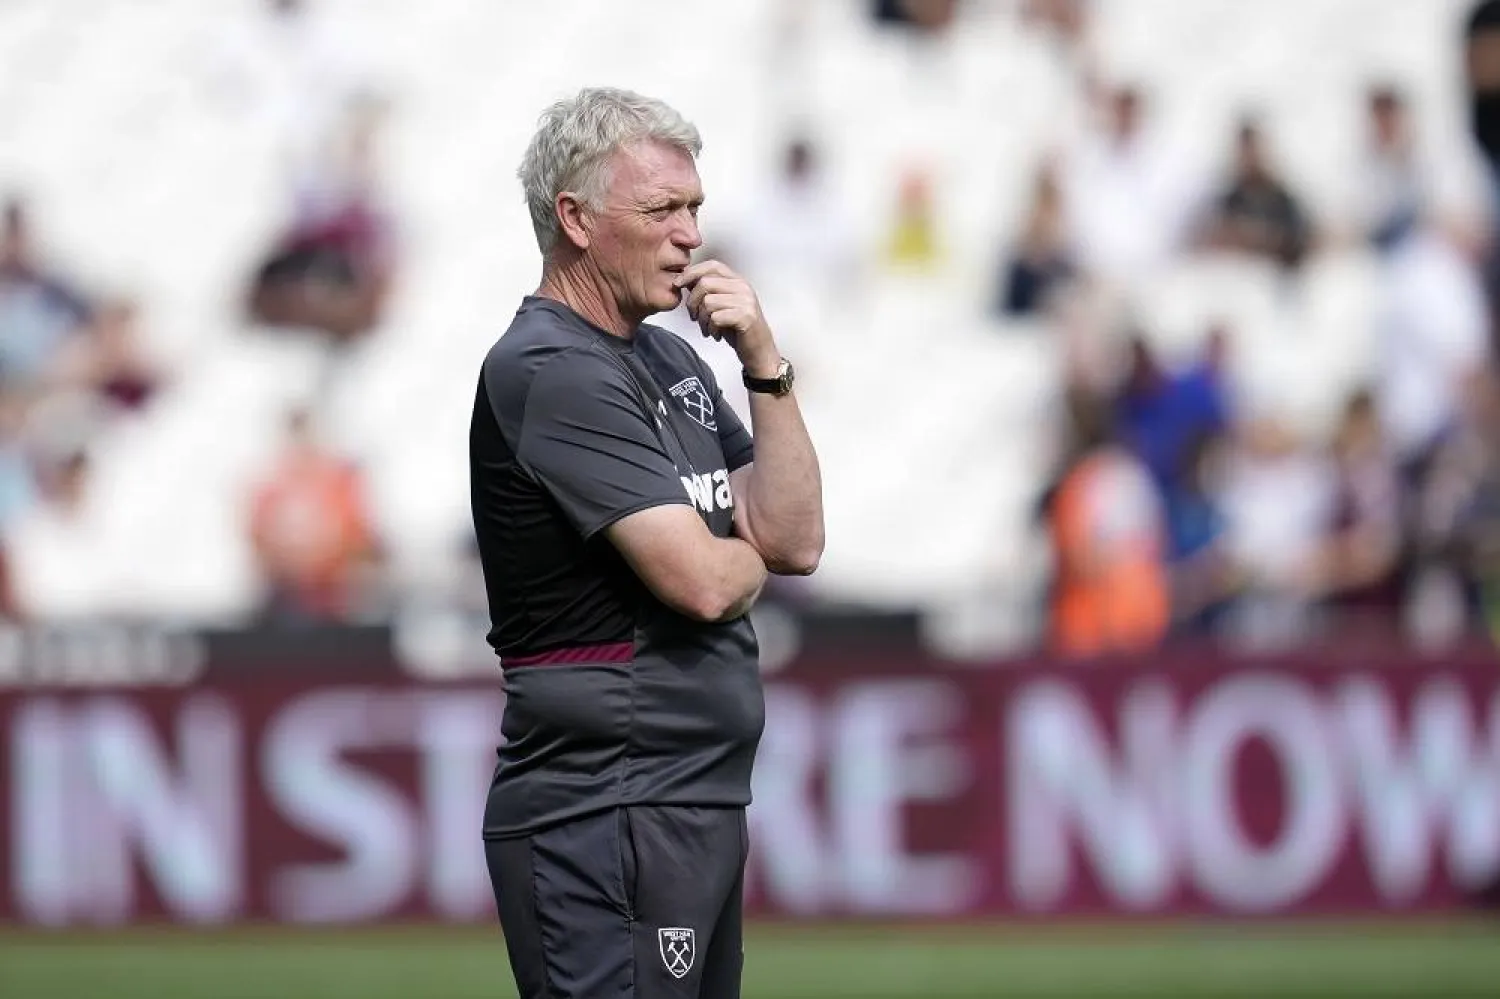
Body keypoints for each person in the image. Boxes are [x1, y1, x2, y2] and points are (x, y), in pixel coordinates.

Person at [469, 88, 824, 998]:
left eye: (695, 208)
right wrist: (749, 552)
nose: (691, 235)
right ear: (576, 220)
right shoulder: (551, 367)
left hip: (691, 795)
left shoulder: (672, 358)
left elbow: (799, 537)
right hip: (606, 805)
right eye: (663, 209)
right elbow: (707, 580)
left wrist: (764, 363)